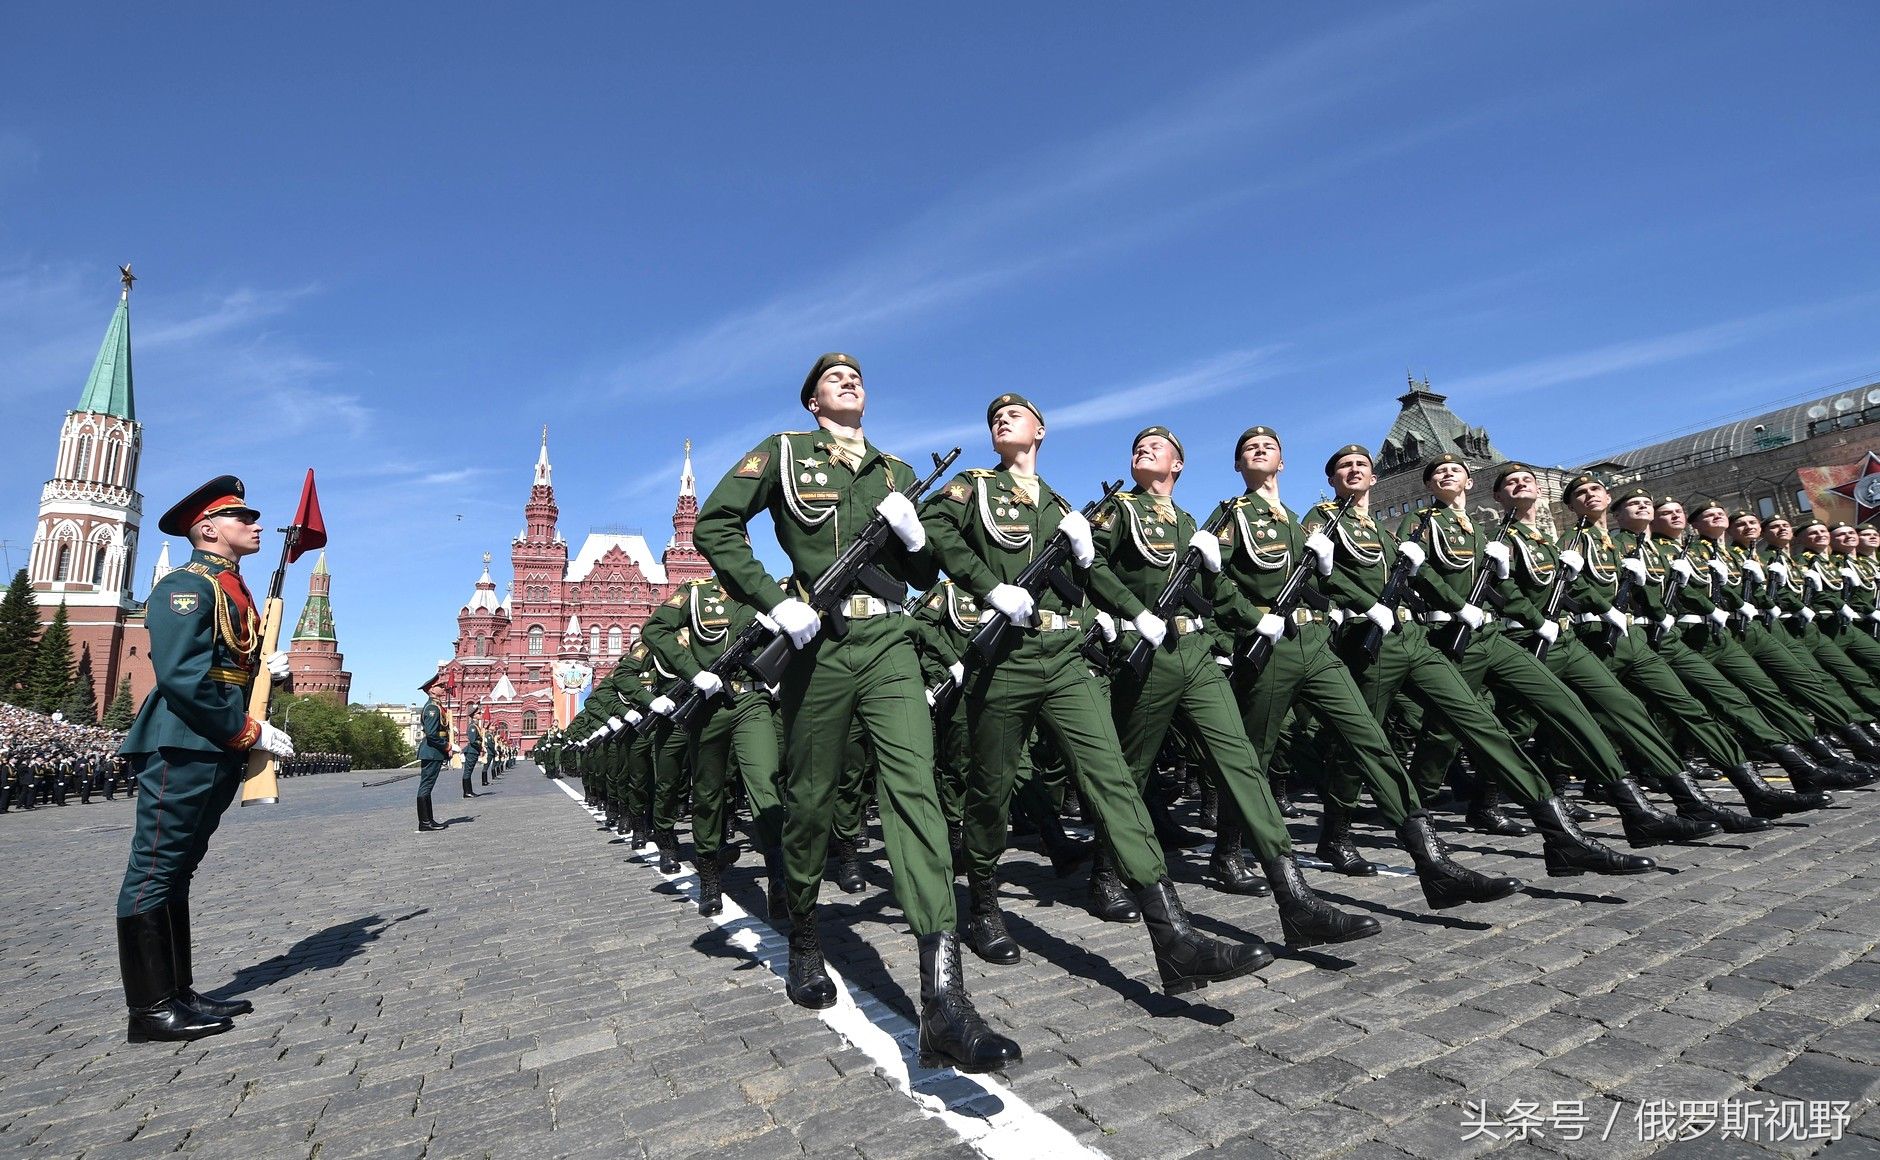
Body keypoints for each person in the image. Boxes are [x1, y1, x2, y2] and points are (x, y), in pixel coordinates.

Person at [695, 352, 1019, 1073]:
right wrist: (772, 599)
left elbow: (926, 571)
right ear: (813, 401)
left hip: (891, 642)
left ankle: (944, 1004)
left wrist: (913, 537)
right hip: (818, 646)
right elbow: (715, 526)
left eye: (857, 377)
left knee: (915, 798)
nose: (850, 382)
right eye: (834, 379)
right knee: (809, 801)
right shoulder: (783, 454)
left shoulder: (897, 471)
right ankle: (805, 938)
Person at [115, 475, 295, 1042]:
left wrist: (272, 675)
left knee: (179, 870)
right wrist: (247, 728)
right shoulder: (184, 587)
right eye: (246, 517)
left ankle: (178, 991)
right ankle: (149, 1009)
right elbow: (183, 678)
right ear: (209, 529)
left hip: (211, 744)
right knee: (154, 870)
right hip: (183, 743)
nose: (257, 525)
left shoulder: (231, 588)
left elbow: (233, 664)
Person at [416, 675, 454, 819]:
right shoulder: (432, 708)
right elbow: (432, 734)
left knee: (428, 786)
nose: (443, 688)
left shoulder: (436, 706)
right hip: (431, 752)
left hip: (433, 752)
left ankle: (428, 820)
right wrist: (447, 746)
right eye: (440, 686)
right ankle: (425, 822)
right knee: (426, 786)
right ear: (432, 690)